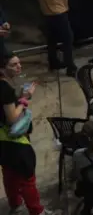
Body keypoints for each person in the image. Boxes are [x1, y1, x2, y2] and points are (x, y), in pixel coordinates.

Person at [0, 53, 50, 215]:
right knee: (27, 177)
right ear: (2, 68)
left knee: (9, 172)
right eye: (13, 65)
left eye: (19, 63)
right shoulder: (4, 88)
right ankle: (37, 211)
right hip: (13, 141)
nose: (19, 67)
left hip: (2, 141)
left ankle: (15, 203)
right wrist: (24, 100)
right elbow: (13, 118)